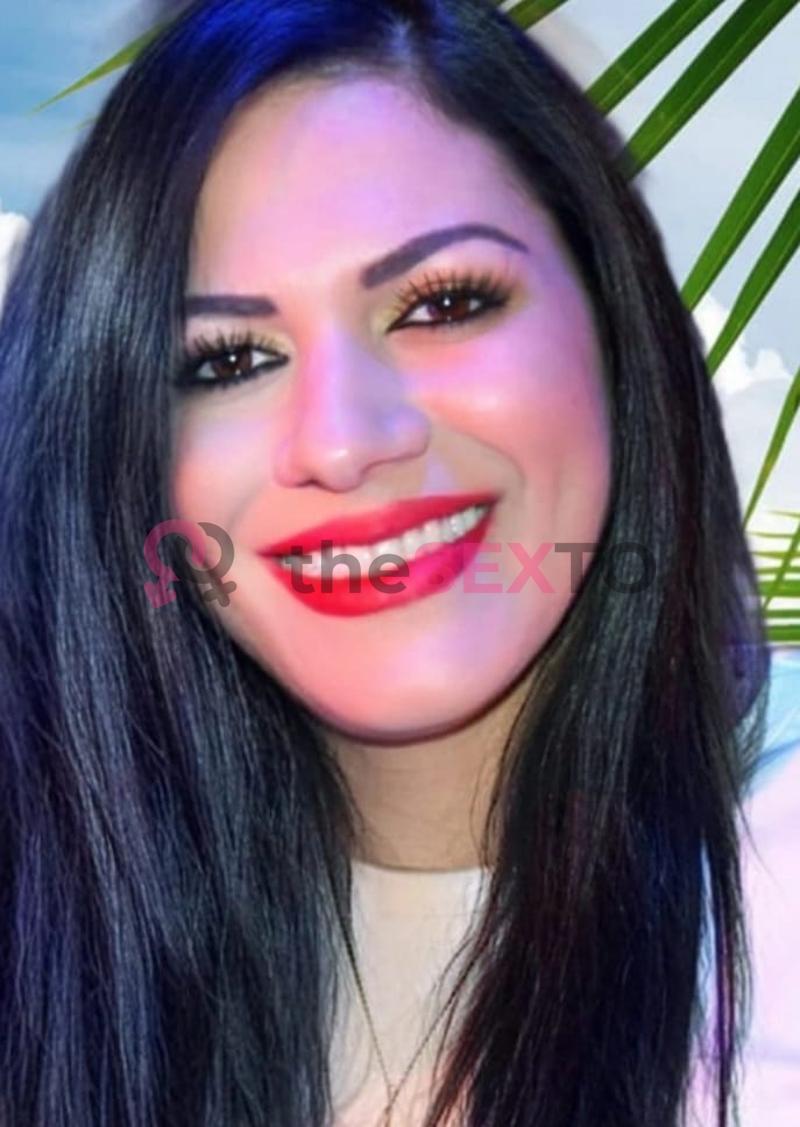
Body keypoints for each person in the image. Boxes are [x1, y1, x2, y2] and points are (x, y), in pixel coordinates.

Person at [0, 0, 793, 1123]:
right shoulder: (59, 949)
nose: (342, 440)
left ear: (617, 330)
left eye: (443, 303)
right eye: (227, 360)